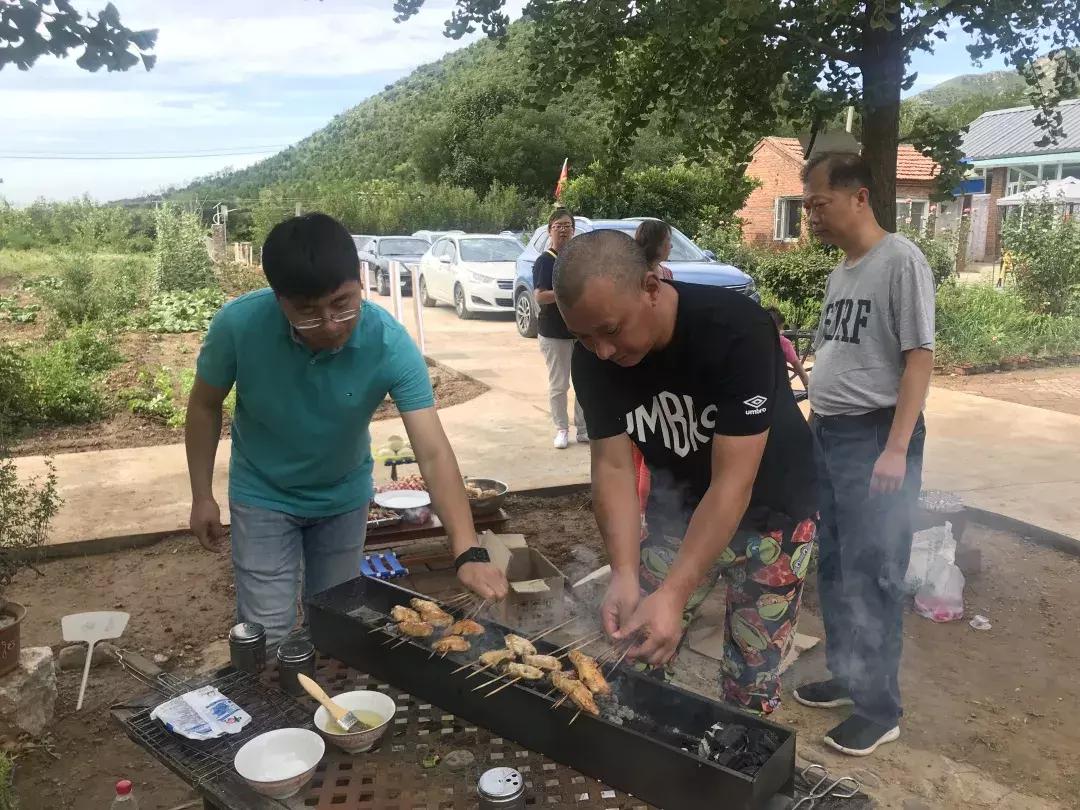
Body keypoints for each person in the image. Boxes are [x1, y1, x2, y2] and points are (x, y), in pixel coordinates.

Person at [185, 213, 508, 648]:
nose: (332, 325)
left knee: (334, 619)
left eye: (342, 303)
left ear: (360, 282)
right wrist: (201, 494)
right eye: (307, 312)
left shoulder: (388, 342)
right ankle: (273, 707)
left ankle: (323, 709)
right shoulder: (238, 326)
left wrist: (467, 551)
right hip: (263, 494)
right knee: (268, 629)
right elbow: (204, 406)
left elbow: (432, 451)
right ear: (278, 300)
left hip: (342, 500)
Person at [555, 230, 818, 715]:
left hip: (776, 517)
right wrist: (624, 571)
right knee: (637, 653)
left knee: (750, 681)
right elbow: (612, 467)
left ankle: (733, 767)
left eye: (611, 331)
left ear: (651, 287)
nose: (602, 352)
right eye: (583, 337)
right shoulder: (592, 359)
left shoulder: (735, 329)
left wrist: (675, 593)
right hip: (680, 516)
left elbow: (733, 482)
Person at [793, 153, 935, 757]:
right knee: (834, 566)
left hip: (876, 438)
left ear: (858, 197)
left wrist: (896, 449)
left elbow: (918, 358)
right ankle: (850, 676)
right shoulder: (841, 272)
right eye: (806, 207)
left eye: (818, 204)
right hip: (830, 434)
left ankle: (881, 710)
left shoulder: (899, 260)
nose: (812, 217)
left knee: (874, 572)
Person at [630, 219, 675, 531]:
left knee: (635, 447)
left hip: (634, 369)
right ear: (658, 244)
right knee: (651, 452)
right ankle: (644, 514)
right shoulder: (661, 278)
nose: (671, 246)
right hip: (657, 368)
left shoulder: (626, 275)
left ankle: (634, 512)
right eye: (668, 240)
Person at [533, 207, 587, 449]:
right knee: (559, 384)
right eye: (558, 226)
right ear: (549, 231)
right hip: (555, 333)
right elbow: (540, 296)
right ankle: (562, 429)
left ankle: (584, 430)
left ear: (573, 230)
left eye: (567, 226)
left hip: (583, 333)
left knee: (584, 383)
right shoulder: (545, 262)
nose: (563, 230)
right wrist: (565, 294)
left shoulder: (580, 260)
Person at [766, 307, 811, 390]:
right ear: (780, 326)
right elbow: (800, 370)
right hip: (779, 389)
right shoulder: (783, 343)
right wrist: (808, 387)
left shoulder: (753, 341)